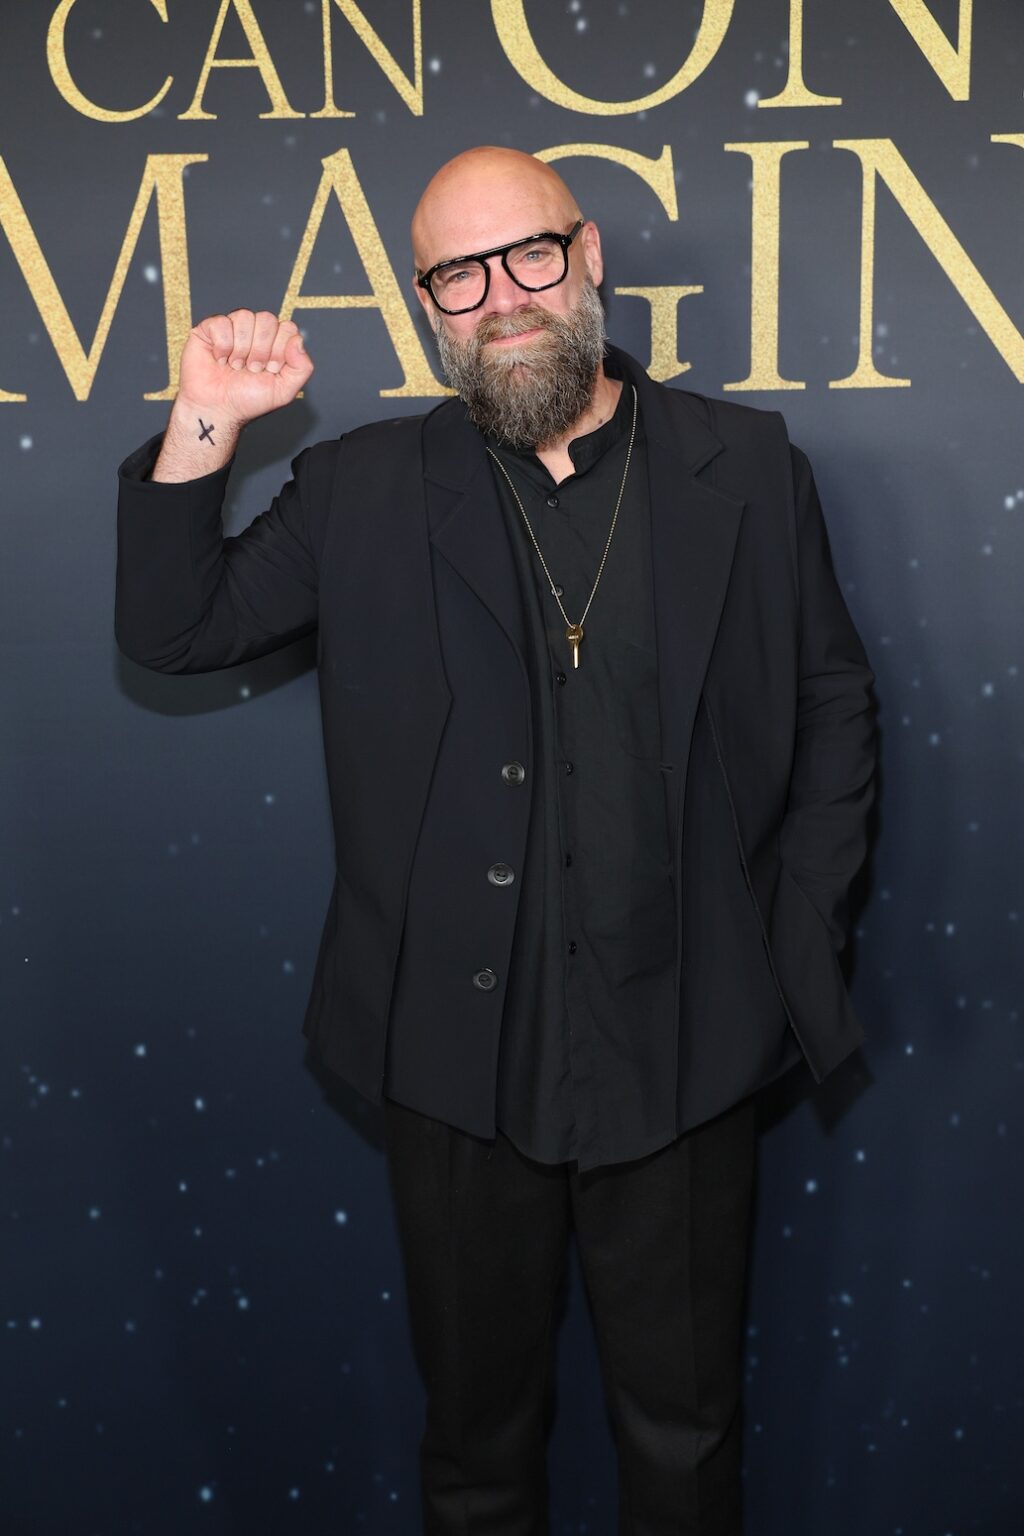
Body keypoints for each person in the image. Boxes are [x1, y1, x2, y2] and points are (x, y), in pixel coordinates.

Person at [115, 146, 877, 1534]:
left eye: (526, 256)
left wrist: (789, 939)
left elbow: (832, 703)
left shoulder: (748, 465)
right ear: (429, 307)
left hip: (688, 1044)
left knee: (688, 1443)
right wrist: (205, 421)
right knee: (475, 1452)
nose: (500, 298)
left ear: (586, 258)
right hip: (454, 1066)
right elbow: (171, 630)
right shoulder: (360, 488)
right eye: (457, 275)